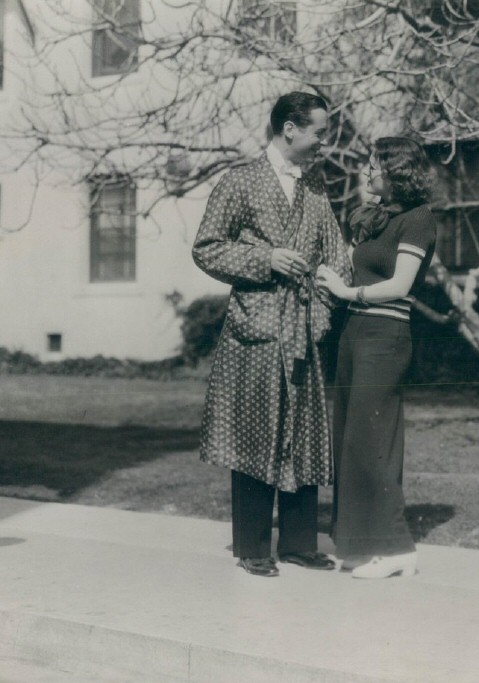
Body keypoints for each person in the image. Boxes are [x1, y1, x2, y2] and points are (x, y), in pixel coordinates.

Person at [193, 92, 351, 578]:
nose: (326, 141)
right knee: (255, 436)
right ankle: (253, 546)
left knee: (302, 436)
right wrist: (265, 260)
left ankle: (300, 543)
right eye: (319, 132)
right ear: (289, 129)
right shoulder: (239, 182)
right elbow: (207, 248)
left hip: (303, 330)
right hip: (254, 332)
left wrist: (321, 314)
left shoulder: (318, 190)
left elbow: (336, 257)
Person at [316, 137, 437, 579]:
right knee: (350, 439)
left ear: (397, 171)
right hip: (354, 333)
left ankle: (396, 549)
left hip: (385, 335)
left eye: (373, 167)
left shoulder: (419, 220)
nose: (367, 173)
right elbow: (352, 266)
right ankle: (359, 544)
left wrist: (348, 292)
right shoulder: (376, 218)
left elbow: (401, 285)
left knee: (374, 442)